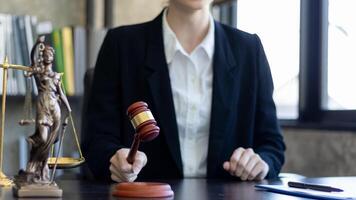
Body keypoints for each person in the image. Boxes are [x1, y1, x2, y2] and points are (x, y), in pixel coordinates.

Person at [83, 0, 285, 182]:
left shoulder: (248, 50)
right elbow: (97, 141)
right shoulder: (121, 45)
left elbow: (272, 145)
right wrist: (114, 159)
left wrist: (261, 164)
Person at [21, 36, 72, 183]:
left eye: (50, 55)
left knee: (51, 140)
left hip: (55, 107)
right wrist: (37, 43)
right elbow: (32, 56)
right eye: (45, 54)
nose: (48, 56)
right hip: (42, 105)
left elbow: (61, 93)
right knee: (43, 139)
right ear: (42, 56)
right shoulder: (38, 71)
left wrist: (68, 109)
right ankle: (33, 166)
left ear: (53, 57)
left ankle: (43, 169)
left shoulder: (56, 76)